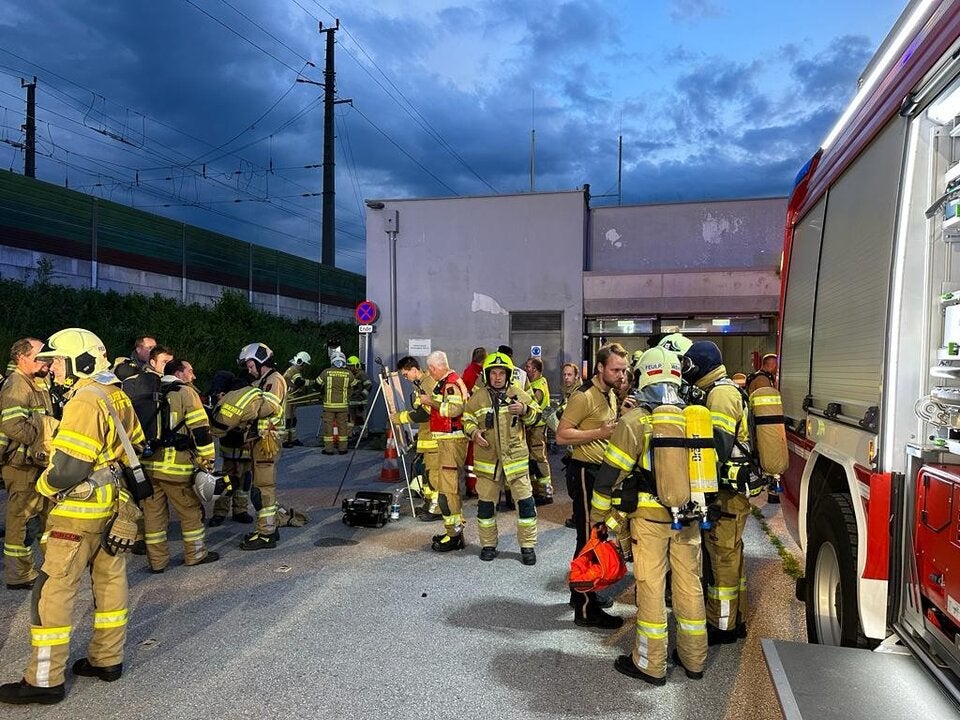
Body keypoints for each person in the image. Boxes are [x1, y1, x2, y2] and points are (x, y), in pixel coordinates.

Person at [0, 328, 145, 705]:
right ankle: (107, 660)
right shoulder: (116, 393)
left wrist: (45, 487)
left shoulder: (84, 400)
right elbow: (135, 447)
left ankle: (44, 681)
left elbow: (67, 470)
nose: (51, 368)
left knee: (50, 591)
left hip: (79, 514)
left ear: (80, 360)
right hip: (115, 508)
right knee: (110, 583)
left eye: (57, 360)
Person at [591, 347, 707, 685]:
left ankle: (650, 663)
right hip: (689, 518)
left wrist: (599, 518)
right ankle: (694, 659)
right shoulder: (694, 417)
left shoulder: (634, 421)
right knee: (689, 586)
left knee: (651, 588)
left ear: (644, 375)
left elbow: (609, 476)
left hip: (649, 520)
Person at [683, 340, 754, 645]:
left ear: (701, 365)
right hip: (730, 491)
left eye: (688, 366)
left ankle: (721, 626)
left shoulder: (722, 394)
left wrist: (700, 489)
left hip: (727, 492)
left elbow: (718, 448)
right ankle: (734, 619)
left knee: (723, 557)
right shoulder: (718, 389)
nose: (686, 372)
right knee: (731, 556)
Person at [554, 342, 629, 628]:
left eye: (623, 369)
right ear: (600, 368)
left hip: (600, 473)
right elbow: (562, 436)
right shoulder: (584, 396)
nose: (621, 374)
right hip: (584, 473)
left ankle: (583, 593)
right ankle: (585, 610)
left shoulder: (609, 393)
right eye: (615, 369)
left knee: (592, 534)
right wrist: (600, 432)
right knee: (590, 539)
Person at [140, 358, 219, 573]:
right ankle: (196, 554)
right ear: (179, 373)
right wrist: (208, 460)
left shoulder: (149, 389)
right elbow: (201, 430)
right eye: (190, 371)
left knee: (153, 518)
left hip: (148, 466)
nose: (193, 376)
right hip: (176, 468)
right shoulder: (185, 393)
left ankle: (157, 562)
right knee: (190, 513)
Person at [461, 352, 540, 564]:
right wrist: (473, 433)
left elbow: (537, 416)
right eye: (493, 373)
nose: (497, 377)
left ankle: (527, 547)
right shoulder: (477, 398)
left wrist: (524, 409)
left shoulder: (518, 393)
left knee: (525, 505)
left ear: (508, 375)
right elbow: (466, 420)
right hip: (488, 463)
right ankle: (488, 545)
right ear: (487, 375)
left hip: (516, 462)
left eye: (501, 373)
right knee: (486, 506)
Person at [0, 338, 55, 590]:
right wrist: (42, 441)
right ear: (22, 357)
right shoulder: (17, 385)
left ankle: (49, 568)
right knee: (19, 521)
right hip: (21, 466)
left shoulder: (34, 383)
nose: (47, 361)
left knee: (44, 517)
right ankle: (19, 576)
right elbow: (12, 425)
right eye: (41, 356)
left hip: (35, 464)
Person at [236, 343, 286, 550]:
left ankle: (266, 534)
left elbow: (267, 407)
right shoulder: (262, 381)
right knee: (259, 487)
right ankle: (269, 528)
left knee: (264, 488)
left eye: (250, 365)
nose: (249, 370)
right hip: (260, 440)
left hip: (267, 440)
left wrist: (238, 410)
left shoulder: (274, 380)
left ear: (259, 360)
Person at [422, 350, 469, 552]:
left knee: (448, 491)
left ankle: (454, 536)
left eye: (430, 370)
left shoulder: (449, 383)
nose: (430, 373)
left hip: (452, 442)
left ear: (434, 368)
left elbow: (453, 410)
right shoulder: (447, 381)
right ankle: (452, 531)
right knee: (446, 489)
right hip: (447, 442)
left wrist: (430, 402)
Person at [392, 356, 441, 521]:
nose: (405, 378)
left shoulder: (427, 384)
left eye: (406, 374)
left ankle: (437, 509)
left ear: (414, 369)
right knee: (427, 475)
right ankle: (429, 505)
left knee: (433, 476)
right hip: (427, 437)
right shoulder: (419, 384)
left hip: (434, 438)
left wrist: (399, 418)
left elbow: (424, 414)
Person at [207, 371, 254, 526]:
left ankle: (240, 510)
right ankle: (221, 512)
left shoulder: (238, 390)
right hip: (233, 445)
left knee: (243, 481)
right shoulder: (237, 391)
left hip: (243, 446)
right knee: (229, 481)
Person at [523, 356, 553, 505]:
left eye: (528, 367)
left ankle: (546, 492)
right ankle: (537, 490)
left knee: (539, 459)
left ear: (534, 369)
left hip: (537, 428)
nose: (526, 369)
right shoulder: (540, 382)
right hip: (535, 428)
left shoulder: (537, 386)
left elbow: (532, 403)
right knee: (533, 460)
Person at [315, 351, 356, 454]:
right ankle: (343, 449)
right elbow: (355, 386)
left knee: (328, 428)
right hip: (343, 406)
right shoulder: (348, 374)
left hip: (329, 406)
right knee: (343, 427)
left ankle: (329, 449)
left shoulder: (326, 372)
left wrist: (322, 394)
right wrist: (348, 395)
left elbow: (317, 384)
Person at [461, 347, 486, 499]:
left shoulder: (471, 370)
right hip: (475, 416)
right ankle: (473, 486)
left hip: (472, 415)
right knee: (472, 455)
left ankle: (473, 485)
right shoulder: (476, 373)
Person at [282, 351, 311, 448]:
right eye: (304, 365)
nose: (304, 367)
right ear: (300, 362)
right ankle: (284, 440)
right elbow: (298, 382)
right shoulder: (293, 370)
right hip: (287, 397)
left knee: (293, 419)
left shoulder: (295, 370)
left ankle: (292, 438)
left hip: (292, 397)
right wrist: (313, 382)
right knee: (287, 419)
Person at [346, 355, 372, 440]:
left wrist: (362, 396)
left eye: (351, 366)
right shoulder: (349, 374)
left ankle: (363, 435)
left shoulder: (361, 374)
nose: (350, 368)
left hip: (361, 402)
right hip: (351, 401)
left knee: (361, 420)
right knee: (350, 420)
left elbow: (368, 385)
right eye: (348, 366)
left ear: (357, 365)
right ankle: (349, 435)